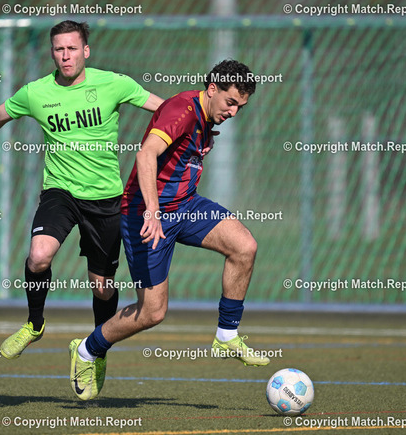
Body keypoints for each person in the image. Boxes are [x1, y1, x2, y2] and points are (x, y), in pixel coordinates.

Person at [0, 20, 164, 364]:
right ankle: (34, 324)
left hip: (106, 199)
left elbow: (167, 110)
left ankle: (96, 351)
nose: (65, 56)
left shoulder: (114, 83)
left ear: (86, 51)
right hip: (60, 192)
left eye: (72, 49)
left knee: (102, 287)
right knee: (38, 256)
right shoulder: (35, 92)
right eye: (58, 49)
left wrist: (202, 123)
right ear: (52, 53)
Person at [68, 60, 269, 401]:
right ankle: (87, 350)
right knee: (152, 312)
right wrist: (152, 211)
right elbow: (145, 155)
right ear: (212, 89)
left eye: (240, 107)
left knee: (244, 246)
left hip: (186, 206)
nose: (234, 112)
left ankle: (226, 334)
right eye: (230, 102)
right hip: (145, 214)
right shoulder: (182, 110)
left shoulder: (206, 118)